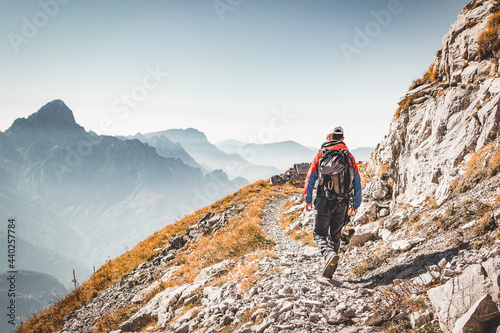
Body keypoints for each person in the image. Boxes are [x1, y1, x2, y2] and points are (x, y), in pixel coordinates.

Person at [304, 126, 362, 278]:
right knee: (335, 237)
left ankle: (328, 255)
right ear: (342, 138)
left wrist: (308, 200)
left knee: (319, 234)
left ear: (328, 137)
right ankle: (330, 268)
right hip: (342, 203)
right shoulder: (349, 157)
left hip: (323, 201)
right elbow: (357, 182)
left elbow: (310, 178)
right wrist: (356, 205)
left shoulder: (321, 154)